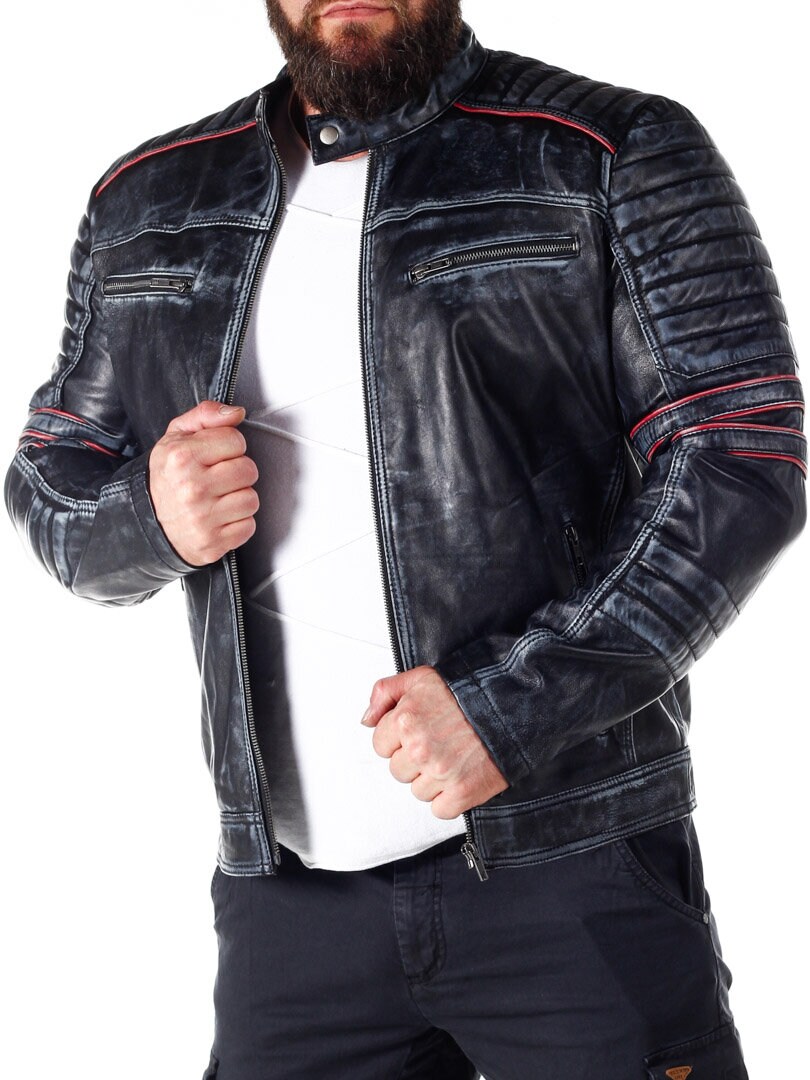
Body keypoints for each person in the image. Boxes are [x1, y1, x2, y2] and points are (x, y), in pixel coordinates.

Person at [5, 0, 805, 1076]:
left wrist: (507, 710)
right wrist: (150, 518)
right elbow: (50, 482)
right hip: (286, 911)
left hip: (572, 867)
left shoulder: (608, 149)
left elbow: (742, 461)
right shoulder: (150, 199)